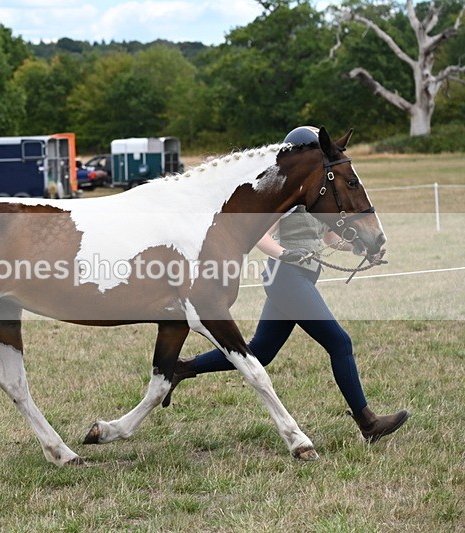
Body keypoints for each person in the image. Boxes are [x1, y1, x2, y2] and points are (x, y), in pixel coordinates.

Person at [166, 126, 409, 444]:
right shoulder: (284, 195)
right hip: (286, 277)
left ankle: (181, 369)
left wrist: (361, 248)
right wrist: (284, 253)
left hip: (300, 277)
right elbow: (260, 236)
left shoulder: (315, 194)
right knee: (340, 343)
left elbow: (330, 238)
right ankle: (368, 422)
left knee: (261, 351)